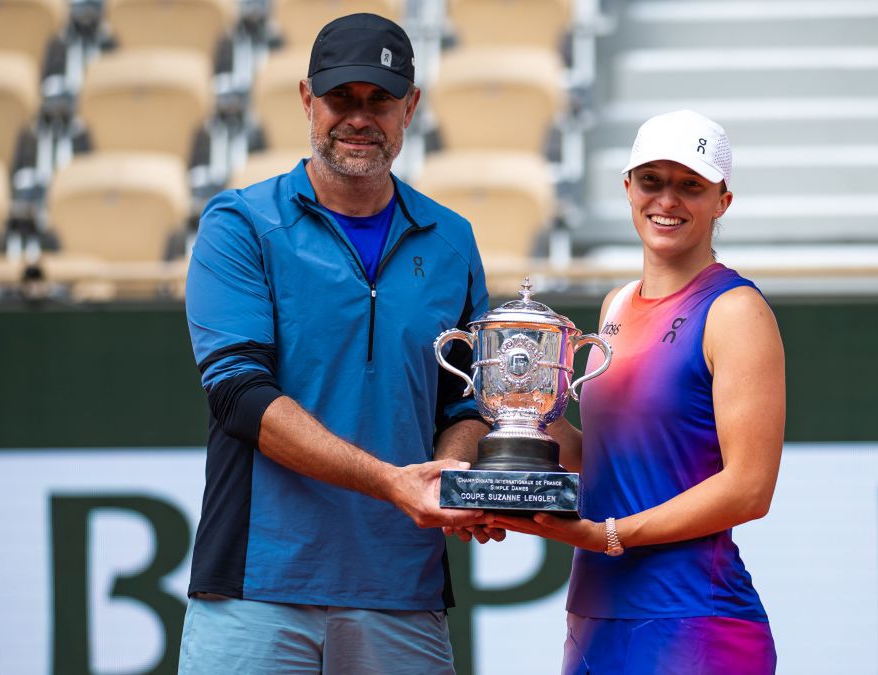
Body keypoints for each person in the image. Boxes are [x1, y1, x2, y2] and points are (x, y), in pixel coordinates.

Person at [178, 13, 500, 674]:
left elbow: (465, 406)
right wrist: (393, 482)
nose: (359, 117)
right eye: (340, 98)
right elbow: (239, 395)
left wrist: (451, 475)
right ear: (306, 99)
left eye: (379, 99)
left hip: (401, 589)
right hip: (257, 587)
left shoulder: (451, 239)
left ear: (409, 106)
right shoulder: (239, 223)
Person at [492, 110, 785, 674]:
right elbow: (601, 459)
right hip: (596, 615)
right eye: (652, 180)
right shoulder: (617, 305)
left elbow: (750, 488)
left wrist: (610, 536)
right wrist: (525, 411)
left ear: (722, 200)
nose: (667, 201)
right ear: (627, 187)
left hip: (694, 621)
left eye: (690, 185)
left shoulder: (736, 311)